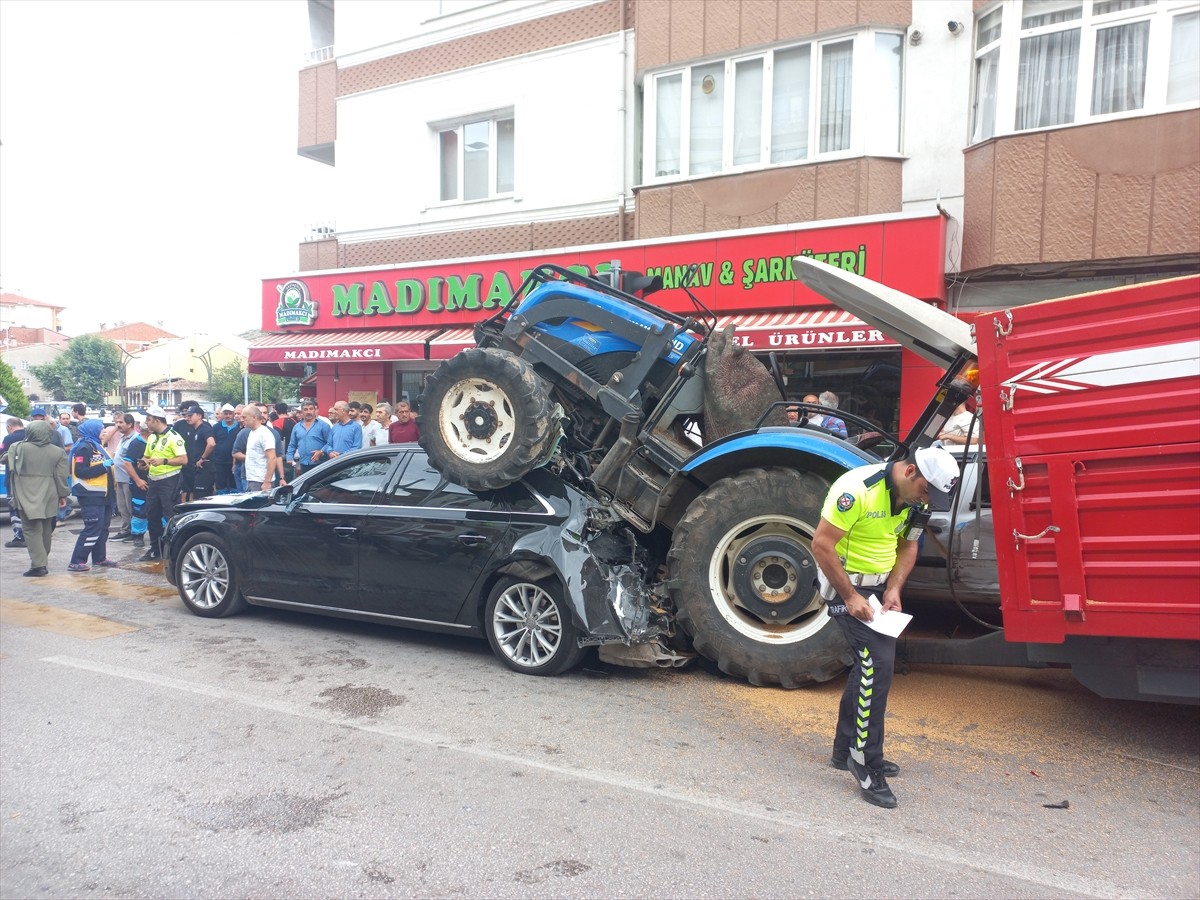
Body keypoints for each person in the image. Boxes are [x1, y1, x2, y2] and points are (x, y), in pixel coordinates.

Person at [812, 445, 960, 809]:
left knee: (869, 665)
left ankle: (843, 748)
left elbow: (908, 546)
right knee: (878, 665)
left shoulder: (917, 501)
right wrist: (849, 596)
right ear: (910, 471)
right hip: (843, 582)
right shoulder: (856, 489)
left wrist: (894, 587)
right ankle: (864, 762)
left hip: (878, 587)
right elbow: (822, 545)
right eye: (927, 491)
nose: (927, 501)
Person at [5, 420, 70, 577]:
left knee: (30, 528)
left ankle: (39, 565)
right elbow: (61, 477)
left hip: (25, 491)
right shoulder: (57, 452)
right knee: (46, 528)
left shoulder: (18, 447)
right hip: (49, 491)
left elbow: (6, 459)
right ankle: (42, 559)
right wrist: (63, 495)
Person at [67, 418, 119, 572]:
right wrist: (104, 467)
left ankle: (99, 558)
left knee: (103, 529)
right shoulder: (84, 447)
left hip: (104, 495)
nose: (104, 431)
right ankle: (76, 561)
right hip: (91, 495)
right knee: (92, 528)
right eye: (101, 429)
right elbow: (80, 472)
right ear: (93, 430)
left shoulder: (96, 445)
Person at [138, 405, 187, 562]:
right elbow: (147, 456)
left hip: (170, 481)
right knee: (152, 516)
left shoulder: (174, 437)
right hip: (154, 481)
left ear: (157, 420)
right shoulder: (152, 437)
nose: (146, 423)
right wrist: (144, 463)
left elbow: (184, 459)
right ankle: (155, 549)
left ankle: (177, 549)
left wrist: (164, 460)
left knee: (171, 516)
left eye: (148, 420)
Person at [118, 418, 150, 548]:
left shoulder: (157, 442)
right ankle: (137, 535)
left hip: (155, 481)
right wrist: (137, 480)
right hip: (140, 483)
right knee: (139, 509)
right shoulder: (137, 443)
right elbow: (127, 463)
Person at [109, 414, 139, 540]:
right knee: (122, 507)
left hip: (129, 478)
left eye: (121, 422)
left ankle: (135, 531)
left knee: (130, 506)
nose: (118, 425)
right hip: (120, 477)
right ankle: (125, 529)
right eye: (117, 422)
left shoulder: (135, 439)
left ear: (130, 424)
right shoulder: (123, 437)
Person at [179, 404, 216, 502]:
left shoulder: (204, 428)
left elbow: (211, 443)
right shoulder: (197, 429)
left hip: (205, 467)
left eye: (190, 416)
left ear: (199, 416)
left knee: (200, 497)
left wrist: (202, 458)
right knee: (200, 495)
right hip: (199, 468)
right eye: (187, 416)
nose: (187, 418)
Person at [287, 398, 332, 476]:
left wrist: (321, 451)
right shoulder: (297, 427)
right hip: (303, 464)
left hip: (320, 464)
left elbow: (331, 443)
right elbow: (292, 444)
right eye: (305, 409)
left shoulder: (323, 425)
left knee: (320, 487)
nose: (308, 412)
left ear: (315, 410)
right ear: (302, 411)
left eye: (311, 409)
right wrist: (289, 457)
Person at [241, 406, 277, 492]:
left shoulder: (264, 433)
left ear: (254, 417)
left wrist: (267, 482)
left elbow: (272, 458)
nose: (242, 420)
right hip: (252, 480)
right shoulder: (252, 432)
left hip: (261, 481)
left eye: (244, 417)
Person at [3, 417, 27, 548]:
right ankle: (31, 535)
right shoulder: (31, 435)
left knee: (14, 508)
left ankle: (19, 536)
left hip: (13, 479)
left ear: (9, 427)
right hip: (30, 479)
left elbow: (2, 457)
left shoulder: (8, 439)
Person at [210, 404, 241, 494]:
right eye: (225, 413)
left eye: (230, 413)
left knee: (234, 484)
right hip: (219, 461)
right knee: (220, 485)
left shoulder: (239, 427)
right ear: (222, 414)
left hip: (235, 461)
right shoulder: (216, 427)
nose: (228, 415)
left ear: (233, 414)